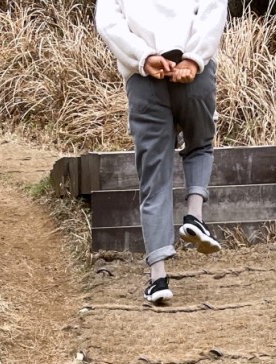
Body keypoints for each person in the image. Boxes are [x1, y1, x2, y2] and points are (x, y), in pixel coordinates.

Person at [94, 0, 229, 305]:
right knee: (200, 144)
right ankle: (194, 216)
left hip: (144, 79)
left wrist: (144, 58)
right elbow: (213, 12)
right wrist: (193, 60)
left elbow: (109, 23)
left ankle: (158, 279)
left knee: (154, 174)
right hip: (193, 73)